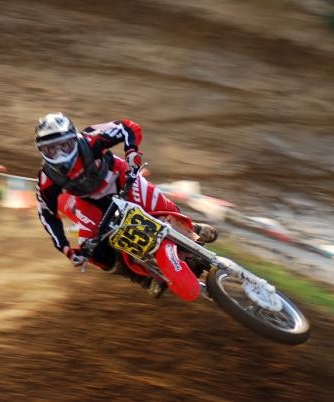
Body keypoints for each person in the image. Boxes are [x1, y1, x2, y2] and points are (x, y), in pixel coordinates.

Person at [34, 112, 218, 301]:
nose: (60, 154)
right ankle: (142, 278)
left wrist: (131, 152)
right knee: (93, 252)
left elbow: (127, 126)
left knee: (153, 202)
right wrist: (66, 249)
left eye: (64, 146)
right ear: (42, 151)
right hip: (89, 202)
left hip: (119, 178)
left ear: (74, 139)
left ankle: (192, 229)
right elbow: (46, 214)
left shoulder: (90, 139)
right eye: (51, 149)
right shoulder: (46, 178)